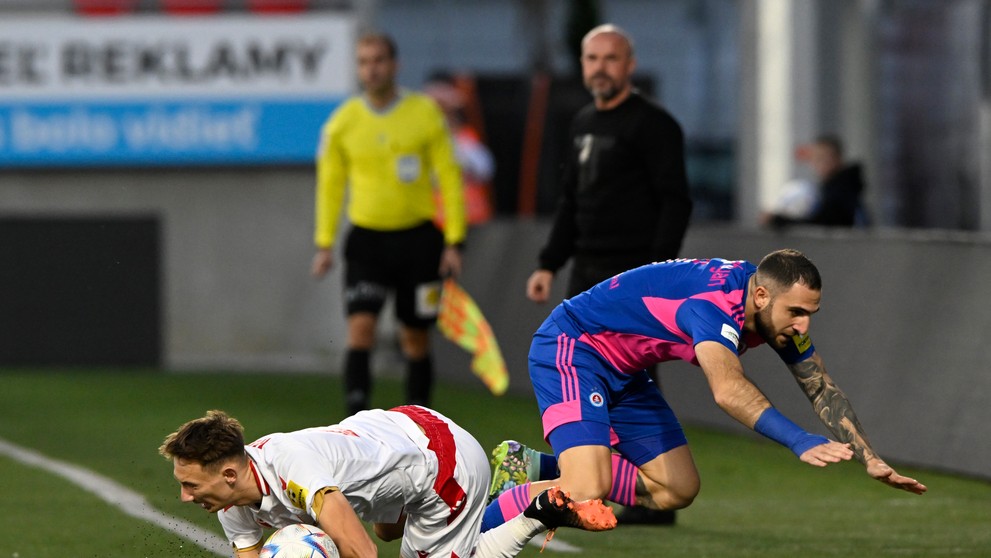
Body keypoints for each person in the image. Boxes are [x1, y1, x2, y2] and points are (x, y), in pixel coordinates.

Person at [483, 249, 926, 535]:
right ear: (760, 296)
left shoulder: (770, 306)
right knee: (585, 488)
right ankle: (466, 538)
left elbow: (820, 385)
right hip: (574, 347)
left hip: (625, 371)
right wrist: (798, 439)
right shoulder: (715, 305)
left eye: (810, 313)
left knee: (676, 489)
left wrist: (869, 458)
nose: (803, 325)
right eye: (796, 312)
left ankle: (530, 466)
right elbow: (728, 390)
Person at [521, 23, 693, 525]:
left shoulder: (655, 125)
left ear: (629, 65)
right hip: (586, 274)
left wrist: (656, 273)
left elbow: (676, 202)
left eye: (610, 58)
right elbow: (571, 203)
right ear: (582, 64)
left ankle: (648, 492)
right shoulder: (581, 122)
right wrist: (549, 262)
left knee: (635, 381)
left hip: (631, 275)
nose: (600, 67)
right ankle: (588, 480)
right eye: (592, 58)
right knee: (583, 378)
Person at [159, 407, 617, 558]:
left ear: (229, 473)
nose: (184, 496)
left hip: (440, 461)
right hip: (393, 436)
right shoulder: (231, 500)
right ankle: (506, 481)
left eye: (191, 485)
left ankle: (535, 514)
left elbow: (360, 551)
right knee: (388, 529)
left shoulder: (293, 469)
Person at [311, 33, 467, 416]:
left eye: (379, 60)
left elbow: (449, 175)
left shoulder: (424, 113)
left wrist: (454, 239)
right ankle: (355, 423)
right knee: (360, 329)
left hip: (418, 242)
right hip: (367, 242)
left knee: (414, 338)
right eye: (364, 62)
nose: (372, 69)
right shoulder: (343, 122)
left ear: (395, 65)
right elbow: (330, 184)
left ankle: (420, 424)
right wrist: (325, 242)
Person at [424, 72, 496, 227]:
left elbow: (484, 169)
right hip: (432, 221)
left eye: (445, 108)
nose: (442, 114)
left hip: (471, 220)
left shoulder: (466, 138)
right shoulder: (420, 142)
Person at [762, 135, 869, 228]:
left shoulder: (841, 191)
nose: (818, 163)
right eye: (815, 158)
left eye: (823, 157)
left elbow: (822, 224)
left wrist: (780, 221)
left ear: (837, 158)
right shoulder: (835, 188)